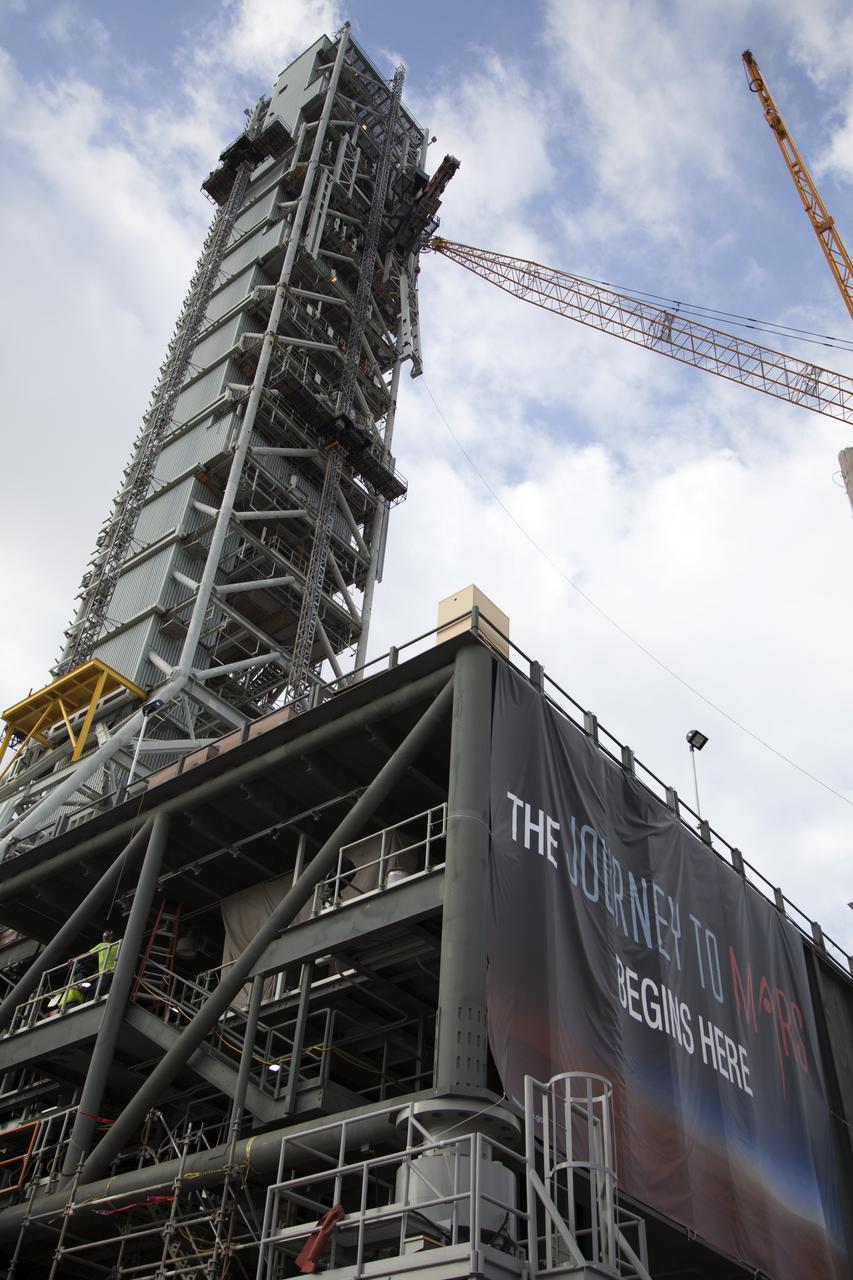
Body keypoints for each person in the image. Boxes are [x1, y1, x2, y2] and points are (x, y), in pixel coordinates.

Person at [89, 929, 120, 995]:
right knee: (110, 992)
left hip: (105, 972)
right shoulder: (119, 945)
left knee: (98, 992)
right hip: (116, 972)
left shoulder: (101, 945)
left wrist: (74, 959)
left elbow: (88, 954)